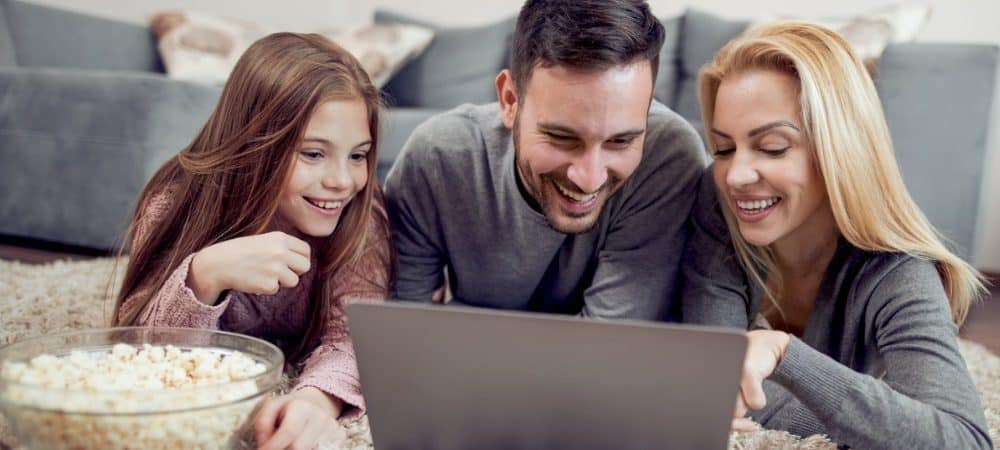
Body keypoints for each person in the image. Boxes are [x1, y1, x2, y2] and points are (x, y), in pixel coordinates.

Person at [681, 22, 992, 449]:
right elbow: (711, 382)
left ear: (838, 148)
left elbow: (963, 440)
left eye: (772, 147)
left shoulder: (898, 270)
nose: (735, 175)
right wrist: (881, 418)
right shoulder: (717, 204)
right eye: (723, 148)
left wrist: (786, 355)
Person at [112, 33, 393, 450]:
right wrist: (203, 275)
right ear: (254, 144)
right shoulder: (175, 201)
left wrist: (315, 401)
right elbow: (142, 351)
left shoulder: (360, 214)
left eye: (358, 155)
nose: (343, 181)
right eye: (313, 154)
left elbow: (353, 336)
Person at [384, 0, 705, 320]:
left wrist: (461, 318)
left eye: (621, 141)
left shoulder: (668, 158)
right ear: (510, 101)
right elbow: (407, 337)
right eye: (563, 138)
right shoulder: (436, 160)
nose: (590, 178)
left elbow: (604, 350)